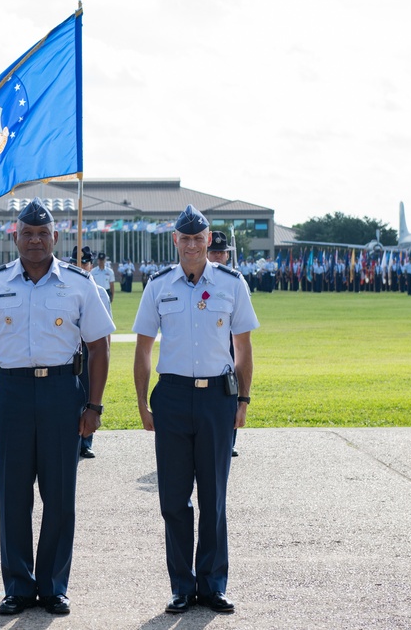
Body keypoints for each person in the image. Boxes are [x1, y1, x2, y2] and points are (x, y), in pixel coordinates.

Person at [0, 199, 114, 617]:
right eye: (27, 232)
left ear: (55, 238)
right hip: (10, 393)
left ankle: (53, 586)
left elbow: (99, 347)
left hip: (63, 392)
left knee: (60, 496)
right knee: (13, 496)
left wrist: (93, 405)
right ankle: (18, 587)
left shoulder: (81, 284)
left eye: (42, 233)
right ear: (15, 236)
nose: (34, 240)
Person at [132, 205, 259, 615]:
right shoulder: (158, 285)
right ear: (176, 241)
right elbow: (143, 348)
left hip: (216, 400)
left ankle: (213, 584)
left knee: (214, 497)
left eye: (198, 238)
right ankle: (182, 587)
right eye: (184, 239)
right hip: (170, 397)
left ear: (208, 240)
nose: (191, 244)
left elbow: (243, 348)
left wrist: (243, 399)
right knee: (173, 499)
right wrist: (142, 403)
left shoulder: (232, 283)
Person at [73, 246, 111, 459]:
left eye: (84, 263)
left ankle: (86, 442)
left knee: (90, 396)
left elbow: (107, 330)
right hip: (70, 351)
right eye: (76, 262)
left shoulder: (100, 293)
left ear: (90, 266)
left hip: (91, 350)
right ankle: (72, 439)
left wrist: (108, 353)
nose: (80, 267)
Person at [206, 231, 240, 458]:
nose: (218, 256)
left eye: (221, 252)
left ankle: (230, 440)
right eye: (214, 252)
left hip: (230, 343)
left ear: (227, 256)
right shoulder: (197, 279)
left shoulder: (235, 281)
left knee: (231, 391)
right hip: (209, 345)